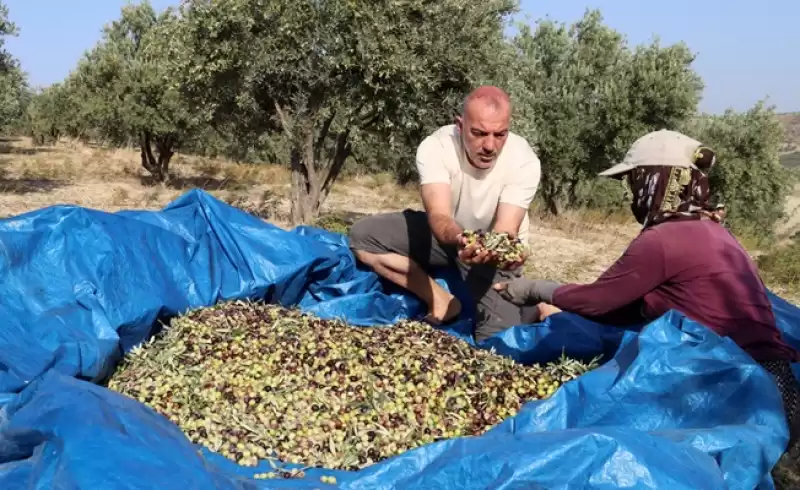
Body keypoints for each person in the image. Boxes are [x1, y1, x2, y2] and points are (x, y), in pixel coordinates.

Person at [493, 128, 800, 445]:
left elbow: (599, 300)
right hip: (776, 393)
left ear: (657, 179)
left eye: (635, 180)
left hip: (730, 395)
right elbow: (624, 309)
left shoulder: (665, 239)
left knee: (589, 430)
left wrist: (535, 289)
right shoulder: (711, 230)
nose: (631, 192)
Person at [348, 85, 541, 342]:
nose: (490, 145)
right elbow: (439, 217)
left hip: (490, 253)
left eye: (500, 134)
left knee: (496, 343)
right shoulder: (436, 147)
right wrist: (462, 239)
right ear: (459, 125)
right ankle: (440, 299)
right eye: (479, 133)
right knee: (364, 237)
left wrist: (489, 250)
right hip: (449, 235)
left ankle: (536, 306)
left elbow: (506, 229)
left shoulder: (524, 160)